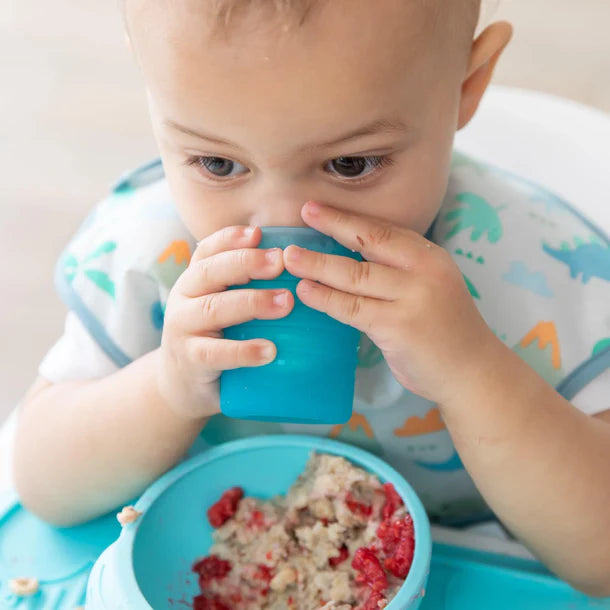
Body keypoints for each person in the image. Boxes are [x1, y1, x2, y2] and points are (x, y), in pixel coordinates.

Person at [11, 0, 610, 596]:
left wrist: (474, 373)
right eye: (217, 163)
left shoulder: (529, 269)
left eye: (350, 164)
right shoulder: (154, 263)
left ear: (467, 87)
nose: (285, 224)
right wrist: (166, 389)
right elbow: (41, 480)